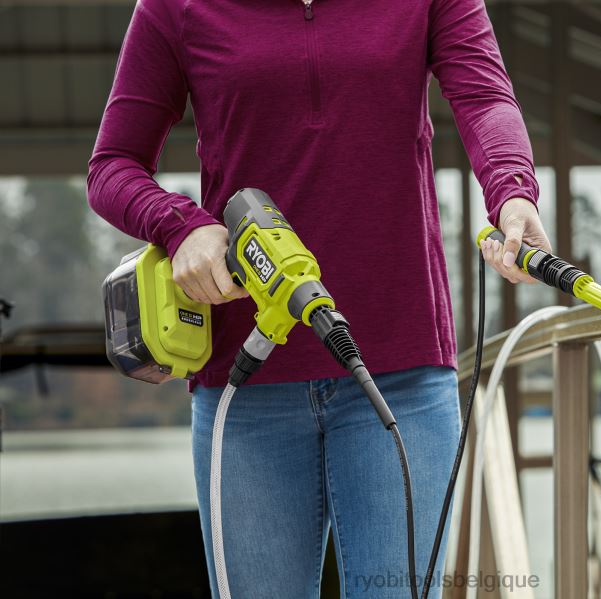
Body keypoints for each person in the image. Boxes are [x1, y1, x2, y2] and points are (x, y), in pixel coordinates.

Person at [87, 0, 552, 596]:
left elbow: (485, 98)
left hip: (402, 373)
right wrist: (181, 226)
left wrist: (512, 192)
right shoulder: (173, 7)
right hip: (245, 384)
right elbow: (112, 165)